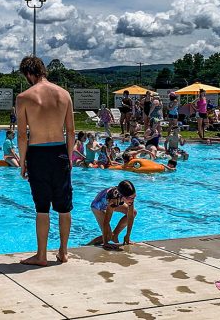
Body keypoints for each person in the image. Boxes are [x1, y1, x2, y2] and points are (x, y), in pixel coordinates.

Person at [16, 55, 75, 266]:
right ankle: (64, 252)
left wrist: (22, 162)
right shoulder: (64, 94)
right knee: (64, 207)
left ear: (29, 74)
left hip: (37, 153)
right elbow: (70, 131)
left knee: (42, 208)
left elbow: (22, 135)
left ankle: (41, 256)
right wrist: (69, 158)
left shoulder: (24, 97)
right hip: (60, 152)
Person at [88, 180, 138, 248]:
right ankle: (88, 245)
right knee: (108, 236)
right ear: (122, 196)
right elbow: (106, 222)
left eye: (134, 197)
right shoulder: (113, 200)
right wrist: (105, 243)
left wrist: (127, 236)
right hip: (97, 207)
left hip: (112, 202)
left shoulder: (129, 197)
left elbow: (130, 216)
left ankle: (115, 235)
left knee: (133, 213)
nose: (132, 200)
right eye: (130, 198)